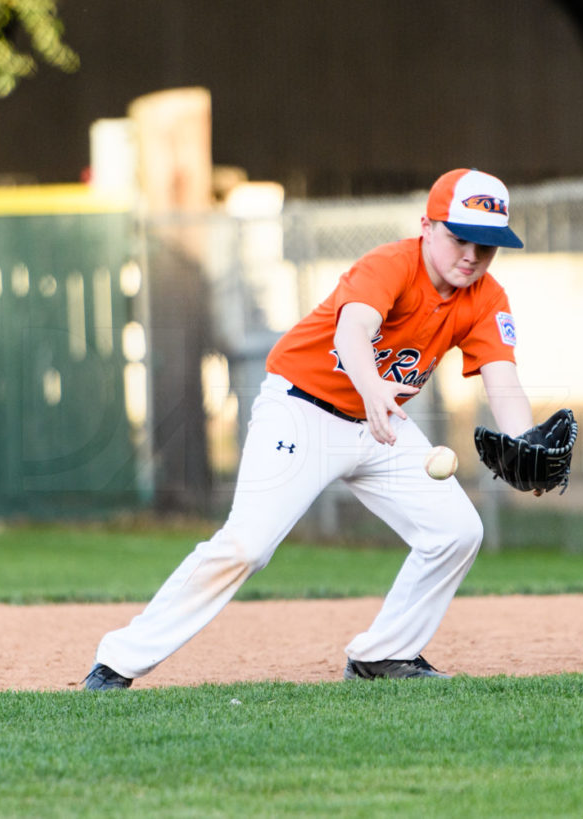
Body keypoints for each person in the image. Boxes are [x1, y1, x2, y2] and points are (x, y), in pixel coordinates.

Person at [84, 168, 537, 688]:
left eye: (488, 245)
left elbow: (503, 380)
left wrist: (524, 444)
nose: (472, 256)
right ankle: (119, 661)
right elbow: (353, 331)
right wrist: (372, 388)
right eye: (461, 237)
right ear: (427, 227)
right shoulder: (391, 264)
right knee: (247, 545)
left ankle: (384, 655)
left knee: (457, 531)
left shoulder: (486, 297)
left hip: (381, 423)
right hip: (303, 410)